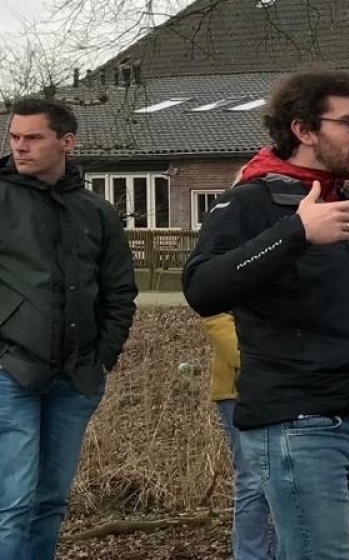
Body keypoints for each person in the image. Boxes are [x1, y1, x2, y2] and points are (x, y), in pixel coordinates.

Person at [183, 69, 349, 560]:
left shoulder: (342, 203)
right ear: (303, 130)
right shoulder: (249, 200)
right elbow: (202, 288)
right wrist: (295, 233)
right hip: (298, 424)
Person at [0, 97, 138, 560]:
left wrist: (102, 359)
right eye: (14, 137)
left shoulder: (96, 212)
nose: (20, 147)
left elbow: (120, 294)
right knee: (12, 503)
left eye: (33, 137)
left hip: (76, 377)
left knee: (50, 502)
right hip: (9, 374)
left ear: (66, 142)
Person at [202, 312, 275, 560]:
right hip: (238, 390)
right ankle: (251, 555)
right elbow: (215, 317)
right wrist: (266, 363)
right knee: (253, 480)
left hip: (291, 385)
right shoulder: (226, 273)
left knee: (289, 478)